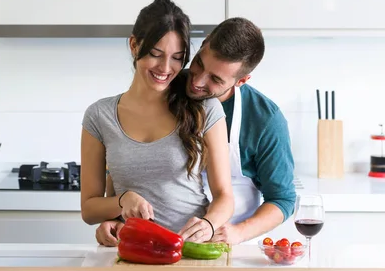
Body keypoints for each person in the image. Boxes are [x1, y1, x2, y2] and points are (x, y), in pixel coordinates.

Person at [95, 16, 296, 247]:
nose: (197, 81)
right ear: (202, 45)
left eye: (215, 79)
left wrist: (238, 232)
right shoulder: (163, 85)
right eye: (199, 63)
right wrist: (112, 218)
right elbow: (125, 163)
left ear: (242, 81)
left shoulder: (265, 120)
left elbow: (283, 199)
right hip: (151, 241)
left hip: (228, 243)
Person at [81, 0, 234, 244]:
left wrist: (208, 224)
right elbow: (89, 210)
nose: (165, 67)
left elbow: (224, 196)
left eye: (177, 57)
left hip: (190, 250)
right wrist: (121, 202)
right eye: (156, 54)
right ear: (133, 45)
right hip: (133, 251)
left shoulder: (205, 109)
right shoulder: (100, 116)